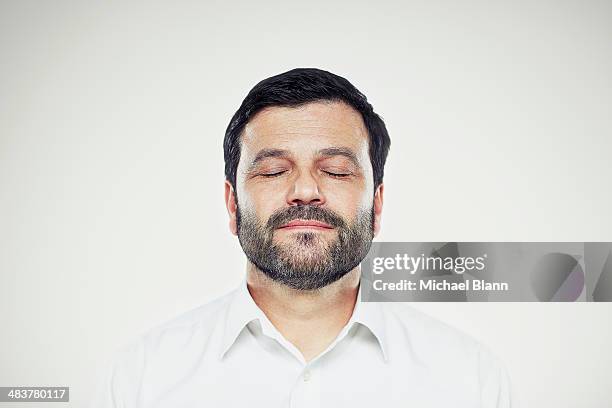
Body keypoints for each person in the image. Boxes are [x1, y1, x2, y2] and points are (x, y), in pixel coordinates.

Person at [93, 68, 513, 407]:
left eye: (335, 171)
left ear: (377, 204)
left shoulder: (470, 378)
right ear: (231, 203)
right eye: (274, 171)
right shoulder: (142, 377)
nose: (305, 190)